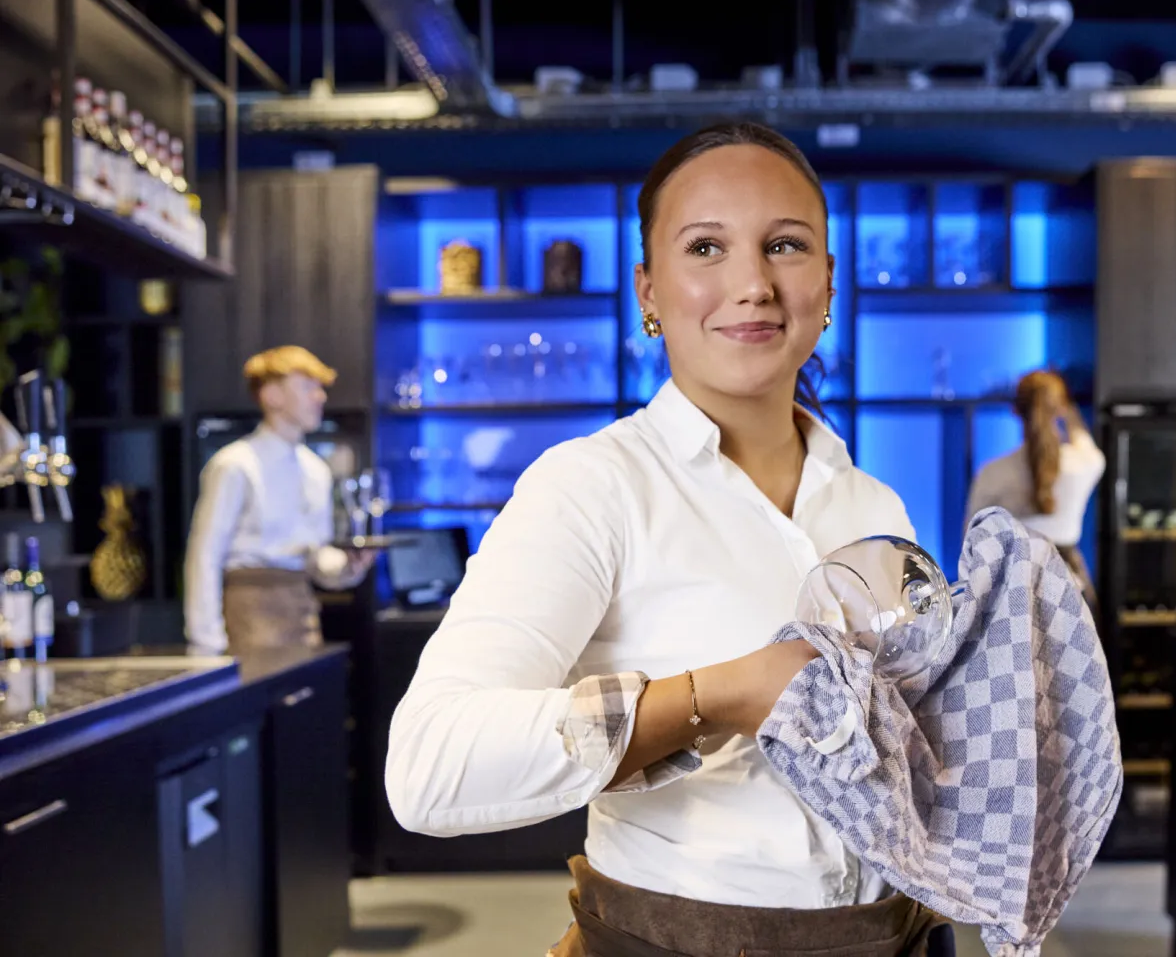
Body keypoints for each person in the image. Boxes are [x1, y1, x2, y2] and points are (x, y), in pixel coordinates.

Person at [387, 124, 951, 956]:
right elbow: (431, 765)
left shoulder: (873, 505)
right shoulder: (592, 487)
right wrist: (717, 694)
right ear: (649, 291)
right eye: (707, 247)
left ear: (828, 283)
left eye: (785, 246)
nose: (752, 283)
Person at [183, 345, 373, 654]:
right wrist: (206, 643)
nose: (320, 397)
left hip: (301, 617)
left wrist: (349, 566)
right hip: (248, 618)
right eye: (308, 386)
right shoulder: (234, 464)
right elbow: (205, 556)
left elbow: (316, 557)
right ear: (271, 395)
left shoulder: (315, 469)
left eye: (321, 388)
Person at [964, 369, 1105, 605]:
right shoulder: (1087, 463)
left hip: (1011, 589)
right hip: (1072, 589)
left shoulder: (993, 473)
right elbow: (1084, 441)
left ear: (1016, 410)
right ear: (1061, 408)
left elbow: (970, 545)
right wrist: (1069, 412)